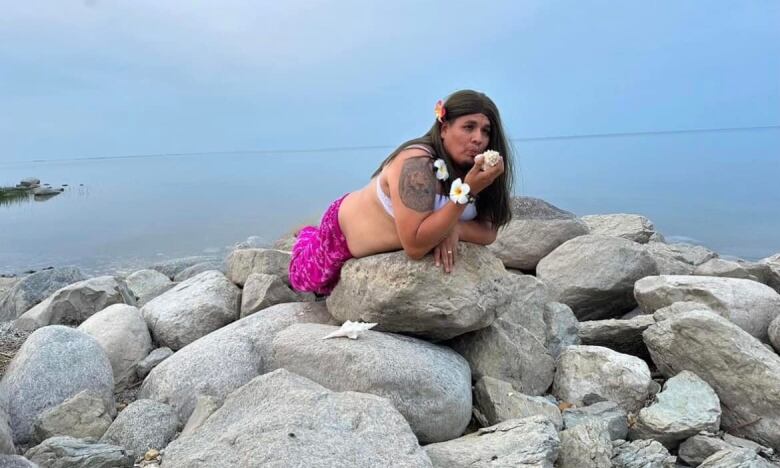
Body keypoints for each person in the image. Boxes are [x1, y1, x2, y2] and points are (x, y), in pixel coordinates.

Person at [289, 89, 513, 295]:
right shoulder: (416, 165)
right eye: (468, 127)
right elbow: (415, 246)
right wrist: (468, 191)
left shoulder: (479, 168)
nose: (479, 139)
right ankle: (307, 234)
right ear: (444, 129)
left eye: (486, 131)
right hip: (341, 233)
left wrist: (453, 227)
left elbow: (489, 231)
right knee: (304, 280)